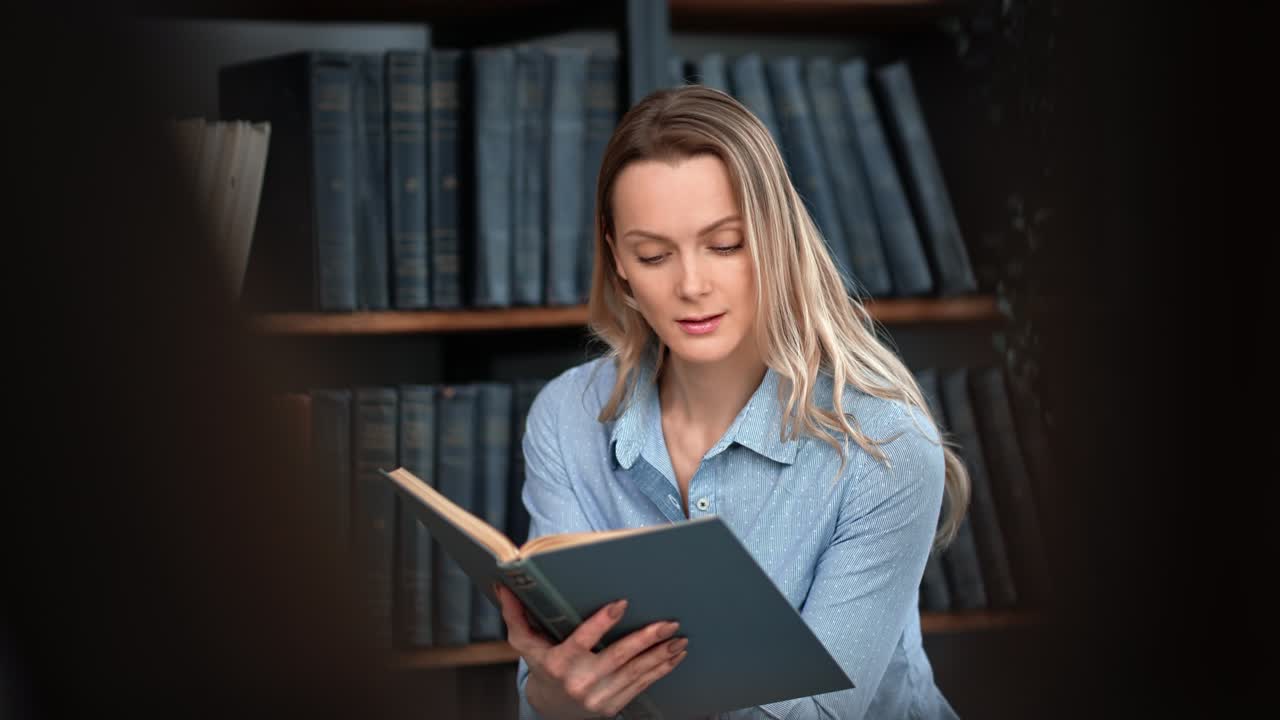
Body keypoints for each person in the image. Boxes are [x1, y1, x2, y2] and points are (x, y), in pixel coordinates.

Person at [494, 85, 969, 719]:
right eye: (654, 254)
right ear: (619, 262)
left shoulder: (885, 446)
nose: (692, 284)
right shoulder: (565, 419)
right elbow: (548, 691)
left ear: (776, 239)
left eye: (725, 245)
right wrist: (553, 697)